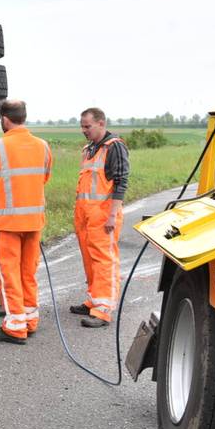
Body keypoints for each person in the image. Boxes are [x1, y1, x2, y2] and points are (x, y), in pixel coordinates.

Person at [0, 99, 53, 345]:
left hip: (6, 224)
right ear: (23, 117)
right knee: (28, 273)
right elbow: (44, 177)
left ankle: (15, 326)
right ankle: (30, 320)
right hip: (33, 222)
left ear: (5, 120)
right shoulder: (43, 146)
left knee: (8, 276)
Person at [71, 107, 129, 328]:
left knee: (104, 261)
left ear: (101, 123)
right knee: (89, 258)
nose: (83, 130)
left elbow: (121, 181)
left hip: (104, 215)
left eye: (87, 126)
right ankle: (93, 300)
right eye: (82, 126)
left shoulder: (114, 147)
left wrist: (113, 215)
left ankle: (103, 310)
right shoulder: (89, 149)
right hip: (85, 215)